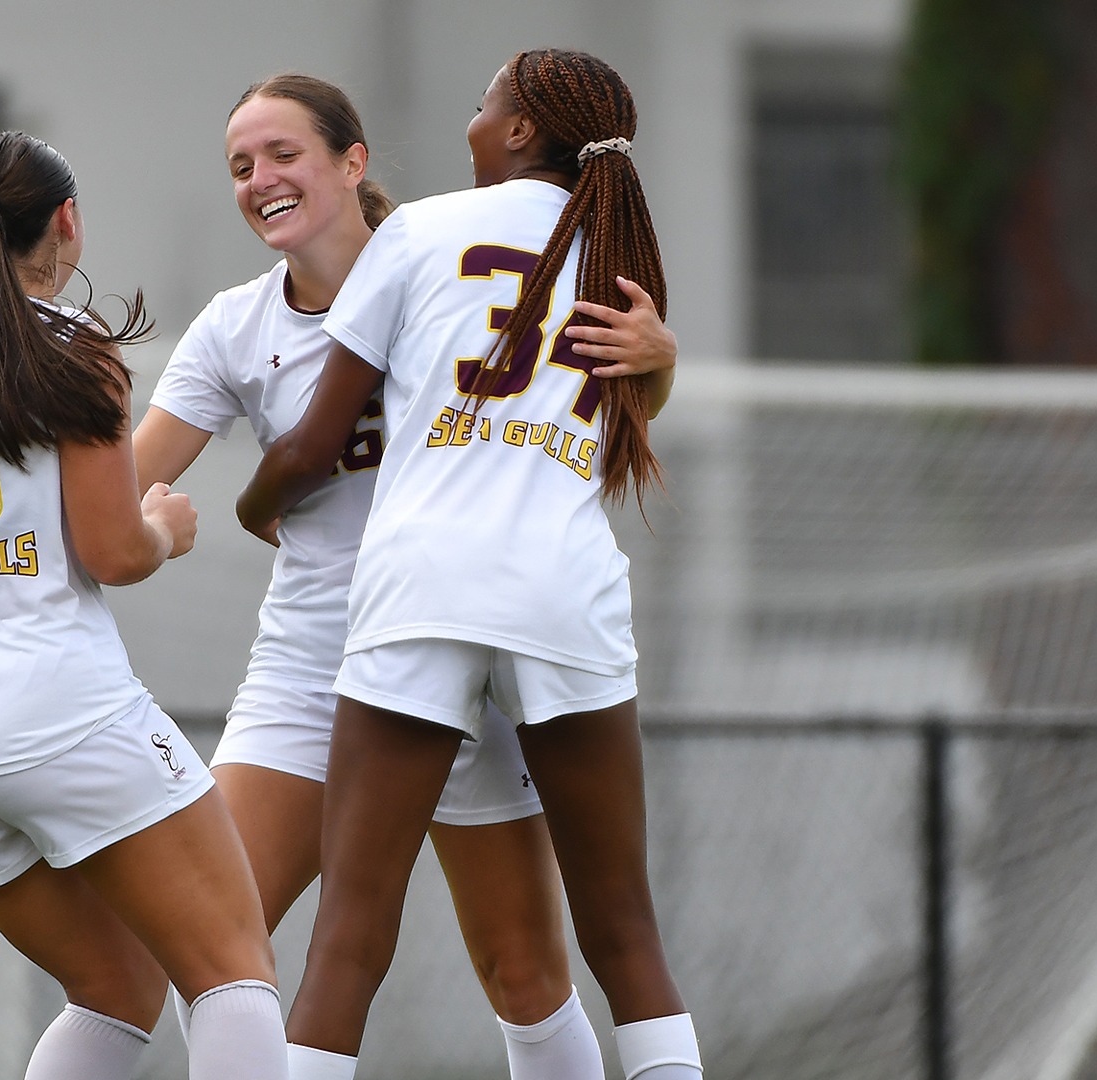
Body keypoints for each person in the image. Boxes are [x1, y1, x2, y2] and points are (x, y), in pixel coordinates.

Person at [135, 75, 677, 1080]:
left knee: (522, 968)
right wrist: (56, 528)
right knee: (202, 945)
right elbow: (126, 489)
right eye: (241, 166)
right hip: (311, 664)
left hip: (460, 642)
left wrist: (660, 358)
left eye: (283, 154)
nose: (260, 180)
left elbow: (579, 403)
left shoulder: (443, 258)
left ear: (354, 160)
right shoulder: (233, 328)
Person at [0, 130, 288, 1080]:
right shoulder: (75, 346)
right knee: (231, 970)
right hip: (62, 718)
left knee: (118, 988)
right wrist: (164, 525)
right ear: (67, 223)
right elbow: (113, 553)